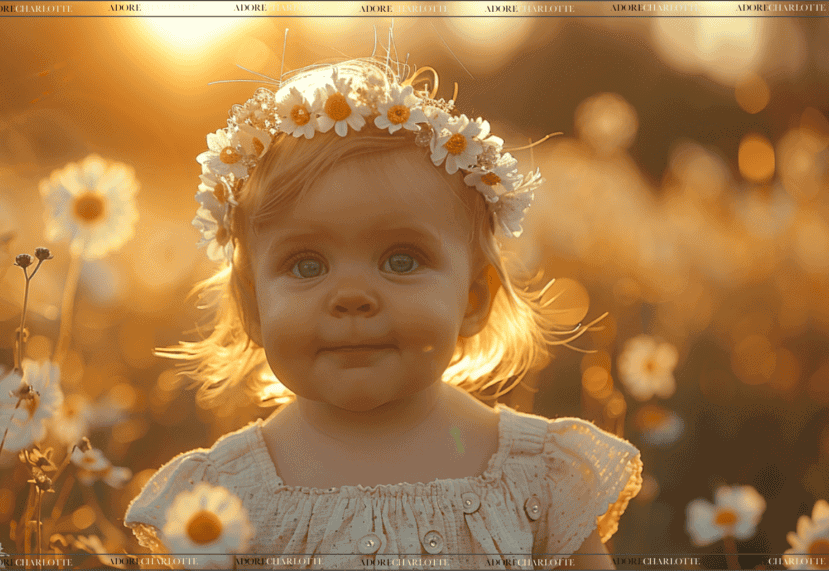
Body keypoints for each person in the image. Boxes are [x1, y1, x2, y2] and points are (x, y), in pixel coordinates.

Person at [125, 58, 642, 570]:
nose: (352, 296)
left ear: (473, 299)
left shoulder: (541, 475)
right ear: (252, 307)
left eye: (401, 260)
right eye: (306, 265)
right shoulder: (217, 503)